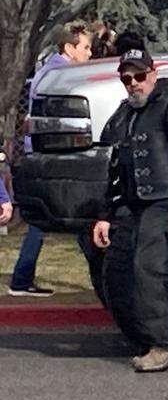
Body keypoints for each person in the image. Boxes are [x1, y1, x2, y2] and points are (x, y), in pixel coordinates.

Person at [92, 49, 168, 371]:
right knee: (119, 271)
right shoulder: (123, 114)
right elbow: (114, 166)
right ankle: (145, 337)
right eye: (126, 79)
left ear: (153, 74)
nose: (133, 84)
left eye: (139, 76)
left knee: (150, 269)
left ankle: (166, 345)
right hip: (131, 205)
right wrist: (105, 215)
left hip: (166, 202)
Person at [10, 21, 93, 298]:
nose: (90, 54)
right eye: (85, 47)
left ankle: (22, 278)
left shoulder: (51, 70)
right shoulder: (61, 75)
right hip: (52, 154)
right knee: (75, 214)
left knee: (54, 217)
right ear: (69, 48)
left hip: (46, 152)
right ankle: (22, 279)